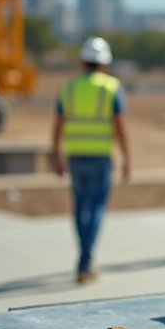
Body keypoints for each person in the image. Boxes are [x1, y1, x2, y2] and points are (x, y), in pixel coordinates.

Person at [50, 37, 132, 284]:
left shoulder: (69, 88)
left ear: (81, 61)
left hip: (75, 156)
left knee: (79, 208)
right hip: (100, 157)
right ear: (104, 63)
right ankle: (85, 261)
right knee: (96, 208)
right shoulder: (111, 87)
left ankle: (83, 260)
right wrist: (128, 158)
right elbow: (121, 127)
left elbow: (58, 124)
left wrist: (55, 154)